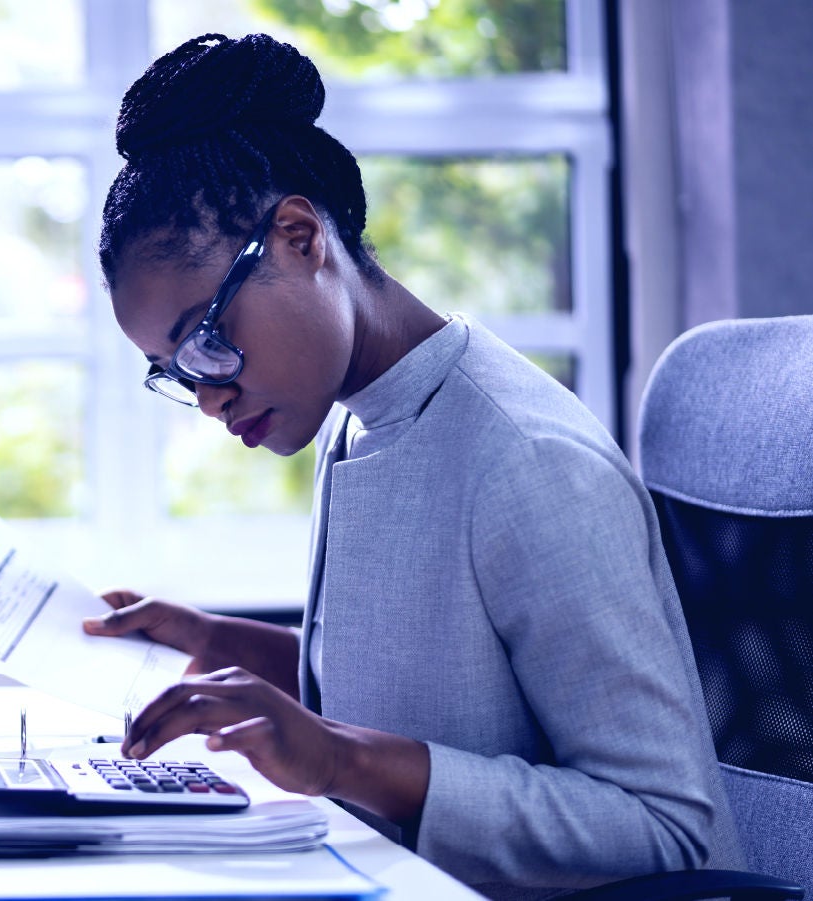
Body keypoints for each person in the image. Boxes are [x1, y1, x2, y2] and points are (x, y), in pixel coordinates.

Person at [79, 33, 741, 900]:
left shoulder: (525, 460)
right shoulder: (359, 419)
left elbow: (665, 828)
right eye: (176, 371)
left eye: (207, 339)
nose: (207, 395)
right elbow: (439, 687)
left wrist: (338, 757)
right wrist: (218, 643)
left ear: (298, 238)